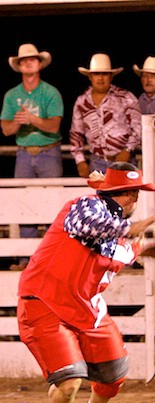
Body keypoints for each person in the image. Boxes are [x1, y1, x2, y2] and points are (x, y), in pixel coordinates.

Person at [16, 162, 155, 403]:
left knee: (113, 372)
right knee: (69, 381)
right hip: (46, 304)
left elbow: (134, 245)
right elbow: (93, 227)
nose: (134, 198)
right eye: (126, 192)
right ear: (110, 193)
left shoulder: (123, 234)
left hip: (87, 308)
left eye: (135, 191)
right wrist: (136, 228)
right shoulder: (84, 206)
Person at [1, 43, 64, 271]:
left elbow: (55, 126)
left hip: (50, 153)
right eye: (24, 60)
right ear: (19, 66)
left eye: (32, 59)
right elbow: (6, 130)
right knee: (23, 205)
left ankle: (50, 258)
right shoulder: (12, 95)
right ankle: (26, 260)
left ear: (39, 64)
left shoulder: (50, 92)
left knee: (52, 205)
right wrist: (17, 122)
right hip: (24, 155)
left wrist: (32, 119)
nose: (28, 62)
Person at [70, 53, 142, 177]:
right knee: (100, 196)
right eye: (97, 74)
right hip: (97, 161)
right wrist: (80, 161)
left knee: (127, 195)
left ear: (111, 76)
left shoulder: (125, 97)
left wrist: (127, 150)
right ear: (90, 77)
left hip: (124, 160)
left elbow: (139, 126)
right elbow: (76, 133)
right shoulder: (82, 102)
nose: (100, 78)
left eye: (105, 74)